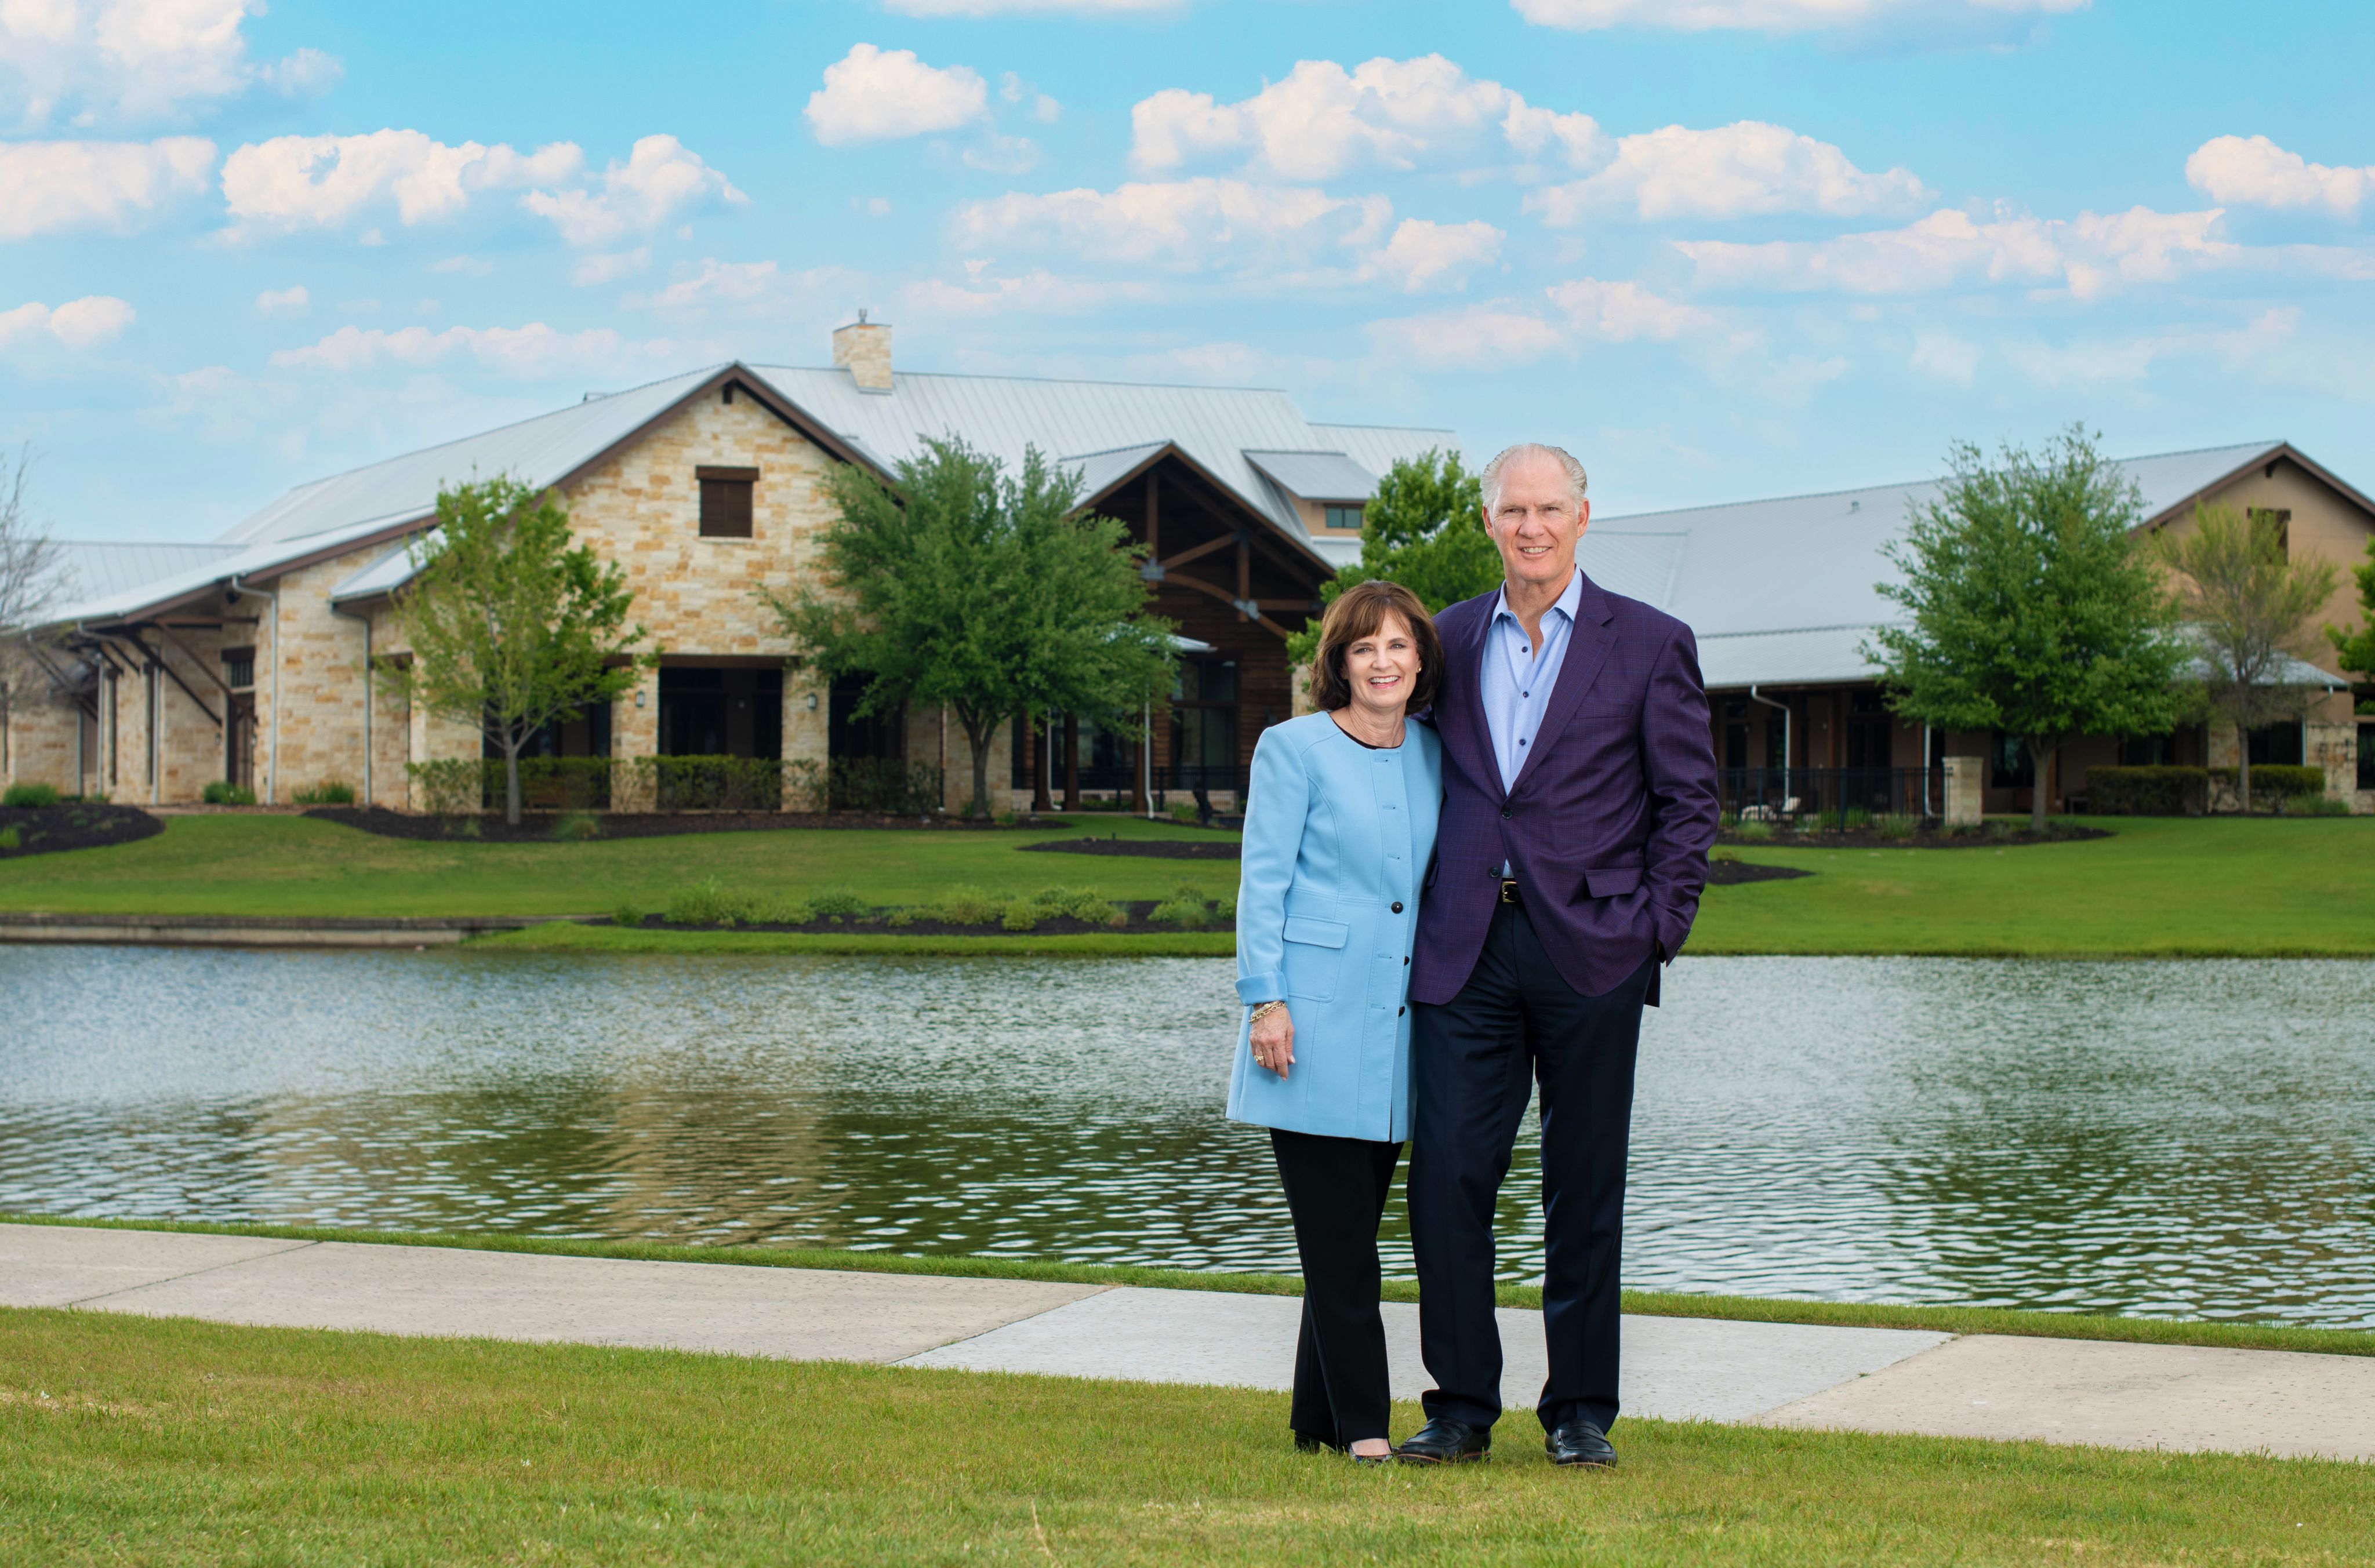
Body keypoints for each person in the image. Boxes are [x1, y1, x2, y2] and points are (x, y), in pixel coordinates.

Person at [1393, 443, 1718, 1470]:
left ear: (1585, 517)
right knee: (1447, 1176)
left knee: (1584, 1187)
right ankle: (1458, 1408)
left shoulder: (1652, 642)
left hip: (1594, 950)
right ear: (1488, 522)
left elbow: (1689, 802)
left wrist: (1655, 929)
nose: (1530, 527)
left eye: (1549, 509)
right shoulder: (1443, 640)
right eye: (1512, 510)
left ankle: (1580, 1410)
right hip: (1463, 951)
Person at [1229, 579, 1446, 1464]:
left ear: (1420, 660)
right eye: (1365, 648)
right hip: (1307, 1026)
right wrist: (1263, 998)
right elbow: (1262, 880)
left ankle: (1314, 1417)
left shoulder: (1436, 752)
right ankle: (1364, 1427)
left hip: (1396, 1034)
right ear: (1339, 663)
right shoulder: (1293, 749)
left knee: (1345, 1235)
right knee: (1341, 1243)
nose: (1383, 662)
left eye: (1398, 646)